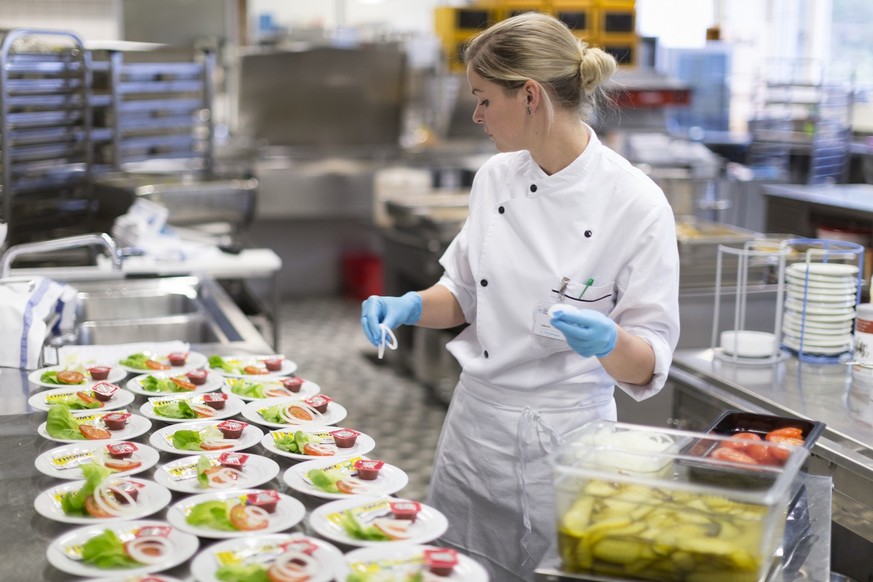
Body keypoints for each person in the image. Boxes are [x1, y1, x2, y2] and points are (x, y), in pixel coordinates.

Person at [361, 12, 680, 582]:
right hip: (474, 429)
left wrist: (611, 340)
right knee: (458, 567)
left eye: (484, 99)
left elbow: (650, 358)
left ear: (530, 96)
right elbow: (462, 292)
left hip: (568, 444)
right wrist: (409, 305)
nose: (478, 115)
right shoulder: (495, 178)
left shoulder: (635, 203)